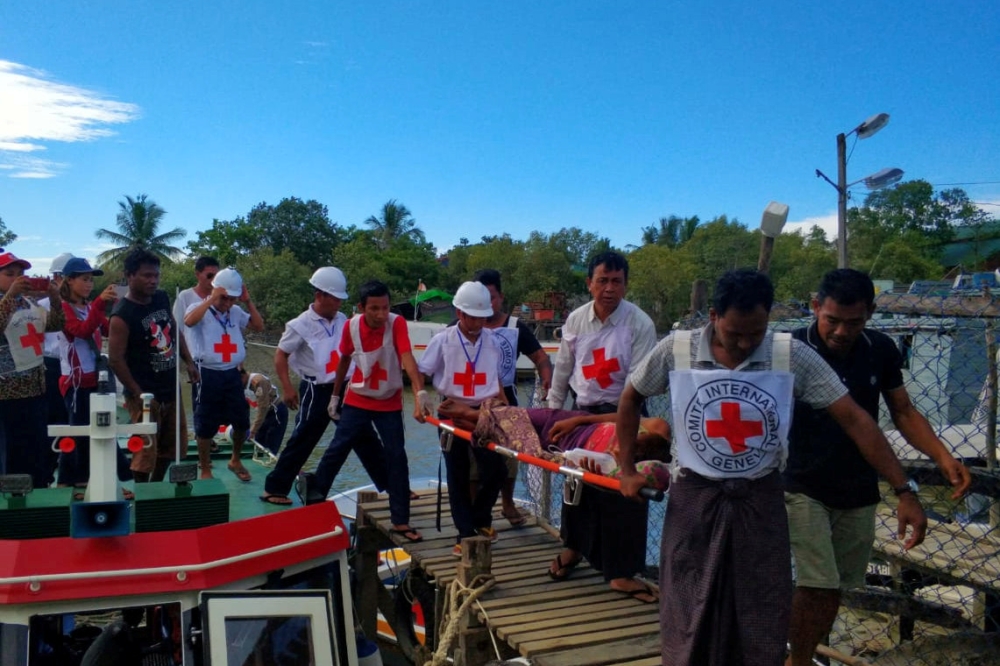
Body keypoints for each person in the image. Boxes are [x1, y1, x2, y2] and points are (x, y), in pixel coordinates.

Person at [616, 268, 928, 666]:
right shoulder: (677, 349)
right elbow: (630, 399)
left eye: (756, 332)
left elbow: (854, 418)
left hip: (760, 496)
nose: (746, 343)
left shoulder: (788, 354)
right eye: (734, 333)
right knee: (687, 598)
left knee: (760, 600)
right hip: (695, 495)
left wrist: (904, 490)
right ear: (713, 316)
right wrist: (627, 468)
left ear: (769, 319)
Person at [784, 269, 971, 666]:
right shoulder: (790, 350)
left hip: (856, 483)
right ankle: (797, 660)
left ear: (870, 312)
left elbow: (902, 410)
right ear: (816, 307)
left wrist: (942, 456)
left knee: (838, 587)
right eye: (831, 320)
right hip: (797, 480)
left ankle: (808, 652)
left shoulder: (881, 349)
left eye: (853, 322)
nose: (840, 331)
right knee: (817, 583)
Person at [544, 251, 657, 601]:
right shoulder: (576, 320)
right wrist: (553, 414)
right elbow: (562, 371)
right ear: (589, 283)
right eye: (602, 280)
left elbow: (638, 385)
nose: (609, 289)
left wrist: (620, 420)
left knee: (626, 488)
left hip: (624, 413)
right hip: (581, 410)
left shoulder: (640, 324)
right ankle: (574, 549)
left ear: (626, 284)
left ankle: (622, 572)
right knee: (578, 484)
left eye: (617, 281)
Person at [302, 280, 429, 542]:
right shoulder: (351, 326)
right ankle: (314, 500)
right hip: (359, 397)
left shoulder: (397, 323)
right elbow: (344, 359)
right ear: (361, 308)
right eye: (374, 309)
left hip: (389, 400)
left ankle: (401, 519)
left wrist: (419, 394)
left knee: (396, 454)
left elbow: (407, 357)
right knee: (338, 447)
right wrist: (335, 395)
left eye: (385, 307)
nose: (382, 314)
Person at [261, 267, 385, 505]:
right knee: (303, 438)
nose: (339, 303)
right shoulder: (300, 325)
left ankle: (389, 484)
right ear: (320, 295)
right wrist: (287, 388)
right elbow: (280, 356)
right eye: (336, 298)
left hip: (346, 388)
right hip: (315, 390)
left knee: (365, 436)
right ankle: (275, 488)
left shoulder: (343, 321)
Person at [418, 281, 507, 556]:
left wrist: (504, 405)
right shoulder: (442, 340)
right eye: (473, 317)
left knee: (496, 469)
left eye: (483, 317)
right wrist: (422, 397)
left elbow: (496, 378)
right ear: (459, 313)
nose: (478, 323)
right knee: (456, 474)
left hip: (483, 411)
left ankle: (480, 518)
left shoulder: (493, 342)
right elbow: (422, 371)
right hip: (450, 411)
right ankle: (465, 533)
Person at [437, 399, 672, 493]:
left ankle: (477, 420)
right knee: (521, 415)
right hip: (577, 425)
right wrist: (579, 419)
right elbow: (621, 417)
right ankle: (475, 414)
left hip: (566, 450)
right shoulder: (658, 428)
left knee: (514, 441)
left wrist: (597, 467)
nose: (619, 446)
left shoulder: (628, 468)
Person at [108, 248, 199, 483]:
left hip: (170, 386)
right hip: (144, 392)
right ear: (129, 276)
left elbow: (173, 328)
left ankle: (156, 485)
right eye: (147, 276)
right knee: (145, 449)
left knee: (173, 444)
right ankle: (142, 493)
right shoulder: (122, 315)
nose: (153, 280)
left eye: (156, 275)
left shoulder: (161, 297)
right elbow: (115, 359)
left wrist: (188, 361)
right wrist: (138, 394)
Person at [473, 268, 553, 527]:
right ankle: (476, 514)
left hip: (506, 399)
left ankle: (507, 504)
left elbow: (541, 357)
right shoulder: (465, 324)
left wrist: (546, 378)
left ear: (501, 297)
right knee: (474, 458)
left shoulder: (515, 326)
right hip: (473, 401)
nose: (486, 305)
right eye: (480, 299)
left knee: (509, 458)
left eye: (491, 298)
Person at [56, 257, 133, 495]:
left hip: (95, 379)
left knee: (99, 430)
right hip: (77, 381)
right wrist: (100, 304)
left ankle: (82, 481)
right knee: (79, 432)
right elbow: (80, 331)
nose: (89, 284)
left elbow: (107, 329)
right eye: (84, 279)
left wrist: (118, 309)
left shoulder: (88, 307)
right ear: (69, 281)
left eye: (91, 280)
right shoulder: (62, 308)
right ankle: (74, 481)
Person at [183, 267, 264, 481]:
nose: (228, 304)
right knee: (206, 422)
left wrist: (247, 302)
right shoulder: (198, 307)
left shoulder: (235, 312)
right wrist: (212, 299)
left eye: (232, 299)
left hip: (232, 373)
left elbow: (258, 326)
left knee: (241, 420)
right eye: (224, 298)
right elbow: (189, 321)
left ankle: (235, 460)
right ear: (215, 291)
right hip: (208, 373)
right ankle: (205, 468)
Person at [0, 248, 65, 487]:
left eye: (21, 274)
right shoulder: (7, 302)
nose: (17, 278)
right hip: (5, 392)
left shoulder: (28, 303)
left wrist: (55, 298)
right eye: (9, 274)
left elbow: (56, 325)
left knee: (34, 447)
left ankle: (38, 487)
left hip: (35, 388)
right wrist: (9, 298)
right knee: (9, 452)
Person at [173, 256, 221, 439]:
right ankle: (203, 439)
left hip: (218, 358)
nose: (213, 281)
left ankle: (215, 435)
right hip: (196, 358)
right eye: (209, 275)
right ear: (198, 274)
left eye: (217, 276)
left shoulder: (221, 297)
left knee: (220, 402)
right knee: (200, 403)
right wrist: (186, 360)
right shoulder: (185, 297)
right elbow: (177, 328)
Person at [239, 368, 289, 456]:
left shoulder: (257, 382)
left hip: (276, 412)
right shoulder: (242, 385)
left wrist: (253, 430)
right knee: (258, 444)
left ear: (242, 376)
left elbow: (263, 407)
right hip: (265, 415)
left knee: (271, 447)